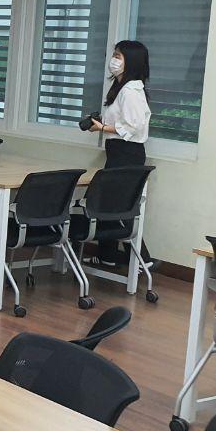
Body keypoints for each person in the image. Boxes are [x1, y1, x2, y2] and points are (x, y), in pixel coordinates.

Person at [87, 40, 152, 267]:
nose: (113, 61)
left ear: (130, 61)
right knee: (109, 203)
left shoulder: (131, 91)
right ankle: (107, 255)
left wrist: (103, 128)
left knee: (120, 206)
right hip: (117, 151)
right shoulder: (121, 88)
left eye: (118, 56)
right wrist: (101, 124)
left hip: (127, 152)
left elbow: (133, 125)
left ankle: (143, 260)